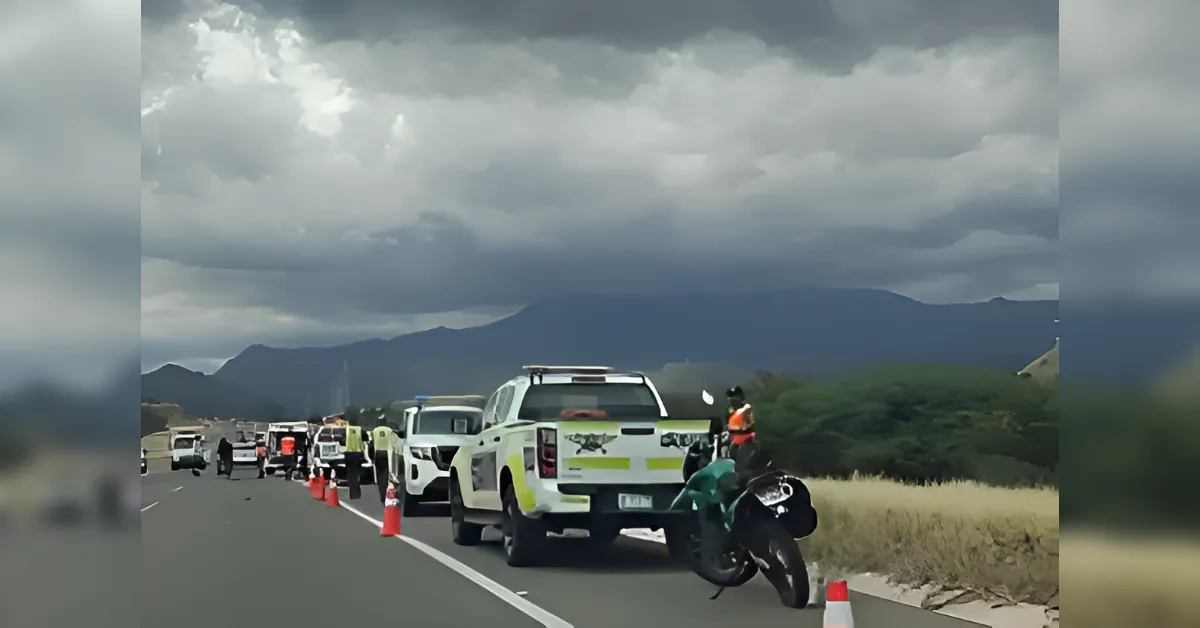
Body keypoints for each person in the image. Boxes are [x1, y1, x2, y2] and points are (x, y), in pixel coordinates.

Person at [370, 418, 392, 503]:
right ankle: (387, 492)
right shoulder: (389, 430)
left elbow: (371, 445)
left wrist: (371, 457)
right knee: (387, 474)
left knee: (379, 476)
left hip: (378, 453)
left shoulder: (374, 431)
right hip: (388, 454)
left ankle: (382, 495)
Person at [343, 424, 365, 499]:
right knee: (356, 473)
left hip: (349, 453)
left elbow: (342, 440)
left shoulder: (346, 429)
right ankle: (356, 492)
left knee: (350, 475)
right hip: (358, 453)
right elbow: (365, 438)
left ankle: (353, 493)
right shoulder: (359, 429)